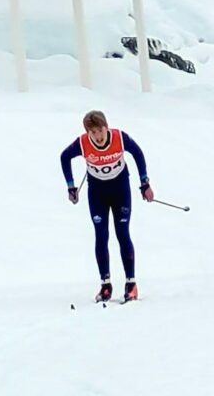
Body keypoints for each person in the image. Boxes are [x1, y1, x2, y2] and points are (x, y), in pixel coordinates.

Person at [60, 110, 154, 303]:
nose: (98, 137)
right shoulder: (82, 143)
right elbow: (64, 157)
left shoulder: (119, 137)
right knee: (101, 235)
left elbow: (137, 153)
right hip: (97, 193)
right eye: (93, 133)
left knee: (122, 233)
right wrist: (71, 186)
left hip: (120, 191)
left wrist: (144, 183)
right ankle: (105, 285)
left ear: (106, 127)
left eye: (100, 131)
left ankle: (131, 284)